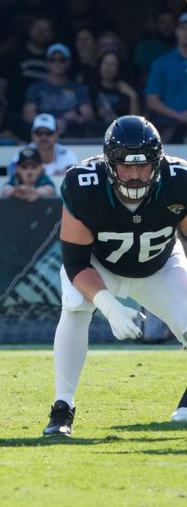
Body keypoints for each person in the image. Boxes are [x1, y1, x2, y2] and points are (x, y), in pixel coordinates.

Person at [42, 115, 187, 437]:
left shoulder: (180, 179)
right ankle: (62, 407)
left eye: (143, 165)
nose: (134, 175)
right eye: (125, 165)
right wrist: (108, 304)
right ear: (109, 163)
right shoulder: (83, 183)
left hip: (159, 265)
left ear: (158, 163)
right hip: (99, 267)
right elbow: (76, 263)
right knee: (75, 304)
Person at [23, 43, 94, 137]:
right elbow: (28, 115)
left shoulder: (78, 88)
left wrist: (76, 118)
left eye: (62, 60)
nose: (57, 63)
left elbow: (88, 115)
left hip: (72, 136)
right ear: (47, 63)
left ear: (68, 63)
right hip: (44, 135)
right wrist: (50, 122)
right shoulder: (35, 88)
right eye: (53, 60)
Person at [144, 12, 187, 143]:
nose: (186, 33)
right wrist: (178, 116)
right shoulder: (161, 63)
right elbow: (152, 100)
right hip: (169, 128)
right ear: (176, 31)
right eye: (183, 28)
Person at [10, 113, 78, 177]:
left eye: (48, 133)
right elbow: (13, 176)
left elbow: (74, 178)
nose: (43, 137)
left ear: (57, 134)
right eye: (39, 133)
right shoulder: (22, 153)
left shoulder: (67, 155)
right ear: (32, 134)